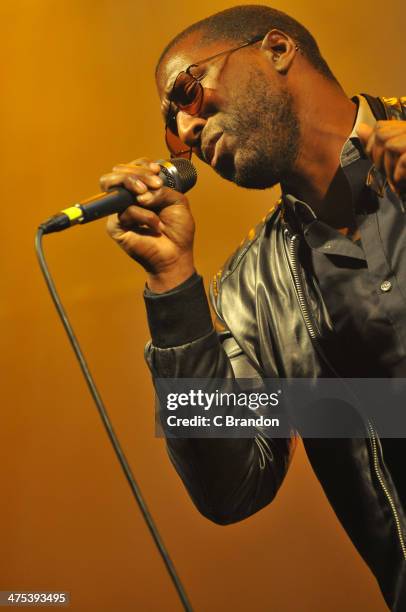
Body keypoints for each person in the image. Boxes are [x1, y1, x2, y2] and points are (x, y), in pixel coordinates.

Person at [100, 6, 406, 610]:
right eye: (170, 126)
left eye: (188, 93)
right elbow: (230, 488)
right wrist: (173, 288)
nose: (184, 131)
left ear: (276, 49)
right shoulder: (247, 289)